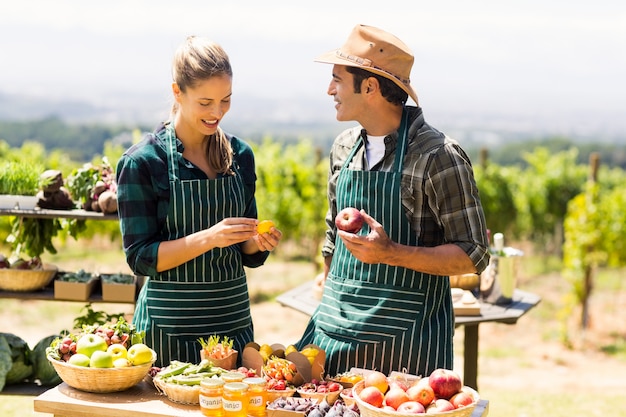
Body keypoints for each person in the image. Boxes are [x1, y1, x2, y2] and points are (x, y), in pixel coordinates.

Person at [297, 25, 490, 377]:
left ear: (369, 86)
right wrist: (328, 304)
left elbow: (474, 254)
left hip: (403, 348)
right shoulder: (343, 147)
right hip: (334, 338)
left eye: (337, 80)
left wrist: (392, 253)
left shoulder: (437, 156)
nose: (329, 90)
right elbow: (332, 239)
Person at [116, 36, 282, 367]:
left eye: (226, 100)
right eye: (205, 102)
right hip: (168, 333)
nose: (217, 112)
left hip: (232, 328)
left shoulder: (240, 156)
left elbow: (246, 253)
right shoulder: (144, 162)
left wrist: (257, 242)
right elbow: (140, 258)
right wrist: (209, 238)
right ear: (178, 92)